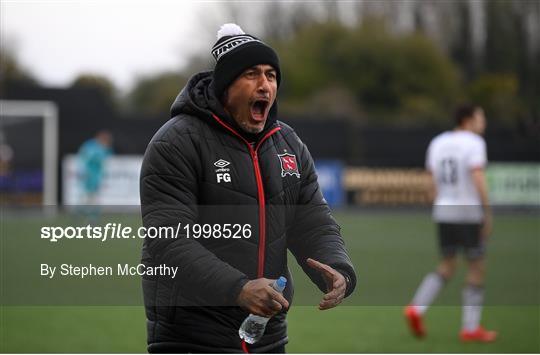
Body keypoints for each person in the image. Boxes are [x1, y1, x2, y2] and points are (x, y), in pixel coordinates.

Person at [139, 23, 356, 353]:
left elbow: (312, 221)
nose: (265, 84)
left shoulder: (288, 144)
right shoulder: (176, 142)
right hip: (192, 335)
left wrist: (338, 269)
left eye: (271, 75)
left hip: (265, 334)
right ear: (225, 86)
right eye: (252, 74)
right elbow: (169, 241)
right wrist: (238, 289)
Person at [404, 104, 497, 342]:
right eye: (481, 118)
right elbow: (477, 176)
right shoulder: (475, 143)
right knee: (476, 267)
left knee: (447, 264)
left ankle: (416, 307)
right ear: (467, 120)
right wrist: (487, 212)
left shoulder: (438, 142)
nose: (483, 123)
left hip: (444, 210)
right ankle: (470, 328)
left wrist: (437, 204)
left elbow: (429, 181)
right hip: (467, 211)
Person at [77, 130, 112, 215]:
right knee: (88, 198)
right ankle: (82, 216)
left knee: (93, 198)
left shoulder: (104, 149)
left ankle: (91, 218)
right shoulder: (91, 146)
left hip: (95, 177)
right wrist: (84, 172)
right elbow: (84, 159)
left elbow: (103, 162)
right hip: (89, 176)